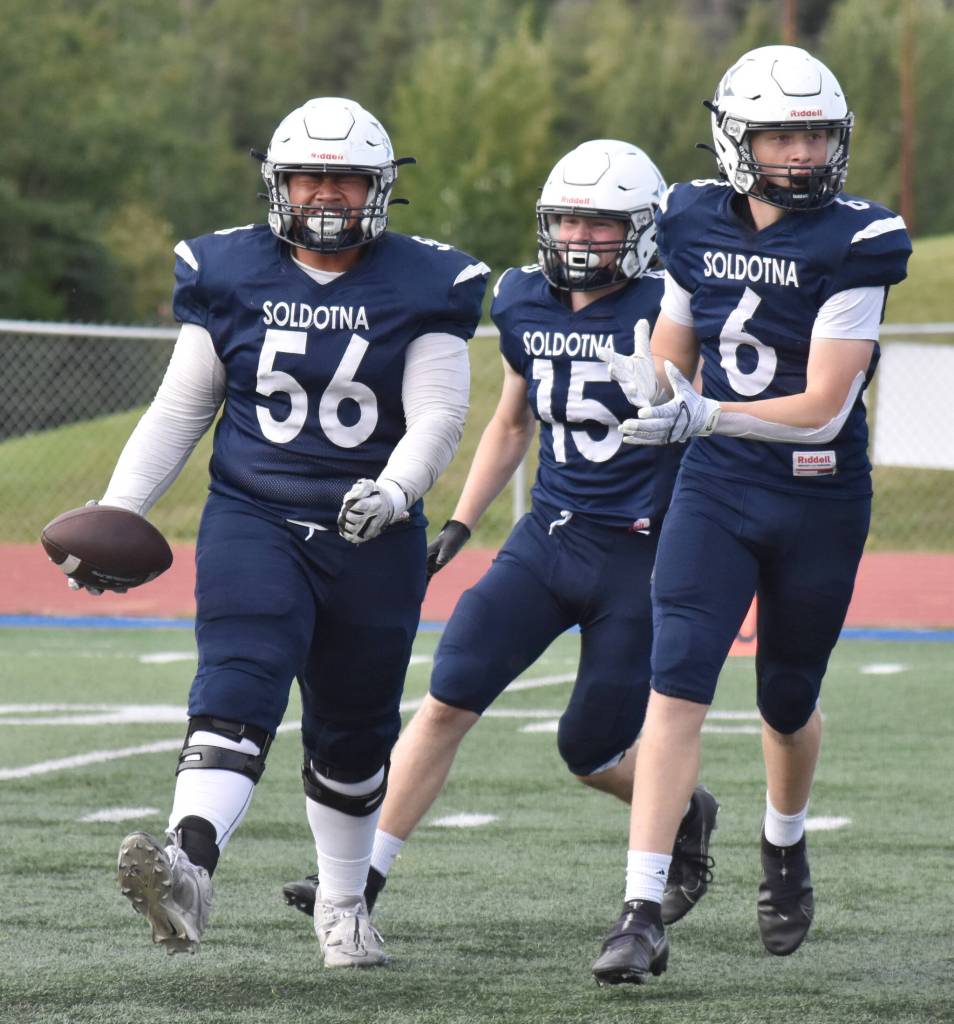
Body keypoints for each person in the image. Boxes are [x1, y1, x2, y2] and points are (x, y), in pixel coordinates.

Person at [89, 97, 489, 966]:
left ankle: (343, 905)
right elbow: (181, 409)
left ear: (381, 188)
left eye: (347, 179)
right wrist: (120, 510)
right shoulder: (229, 270)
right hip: (254, 514)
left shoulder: (430, 281)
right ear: (278, 182)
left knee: (351, 737)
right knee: (237, 681)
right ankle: (190, 865)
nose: (327, 197)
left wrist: (394, 490)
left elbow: (438, 416)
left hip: (372, 534)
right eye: (310, 176)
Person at [282, 139, 719, 929]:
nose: (581, 240)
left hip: (643, 551)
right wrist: (460, 519)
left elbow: (691, 410)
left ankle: (685, 808)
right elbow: (511, 421)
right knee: (448, 691)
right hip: (548, 537)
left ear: (646, 230)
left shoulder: (673, 305)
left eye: (601, 225)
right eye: (569, 223)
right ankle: (360, 881)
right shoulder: (523, 297)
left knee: (589, 746)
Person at [590, 46, 911, 985]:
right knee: (676, 680)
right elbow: (674, 344)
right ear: (736, 139)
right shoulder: (691, 216)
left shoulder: (862, 239)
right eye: (780, 134)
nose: (803, 153)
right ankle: (641, 909)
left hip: (817, 493)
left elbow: (824, 405)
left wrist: (706, 411)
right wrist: (648, 388)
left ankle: (783, 842)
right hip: (719, 487)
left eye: (815, 133)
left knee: (785, 696)